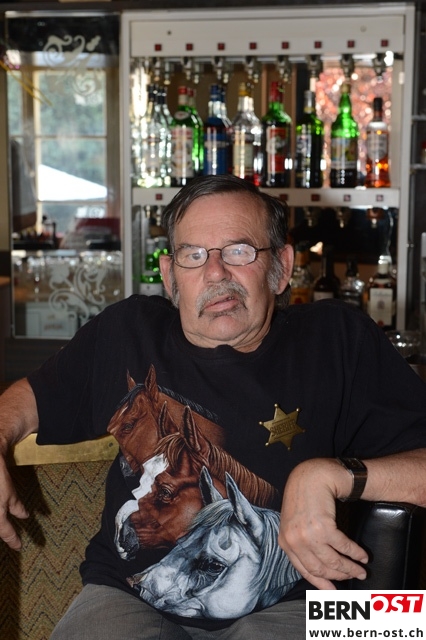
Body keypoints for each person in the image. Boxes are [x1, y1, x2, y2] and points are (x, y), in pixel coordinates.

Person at [1, 174, 426, 640]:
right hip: (128, 598)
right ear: (170, 276)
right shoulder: (126, 332)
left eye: (240, 251)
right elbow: (30, 397)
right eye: (194, 255)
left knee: (394, 626)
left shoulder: (338, 340)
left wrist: (330, 475)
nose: (216, 272)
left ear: (281, 267)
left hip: (307, 603)